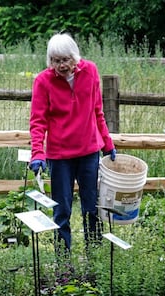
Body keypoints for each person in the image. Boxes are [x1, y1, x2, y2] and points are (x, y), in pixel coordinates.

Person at [29, 33, 117, 252]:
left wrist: (107, 143)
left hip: (88, 152)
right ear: (50, 61)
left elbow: (98, 111)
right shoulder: (42, 81)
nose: (61, 65)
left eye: (65, 60)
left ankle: (94, 256)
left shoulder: (90, 72)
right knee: (62, 209)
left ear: (75, 57)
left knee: (91, 207)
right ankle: (63, 264)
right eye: (56, 61)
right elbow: (38, 122)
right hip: (59, 157)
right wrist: (38, 154)